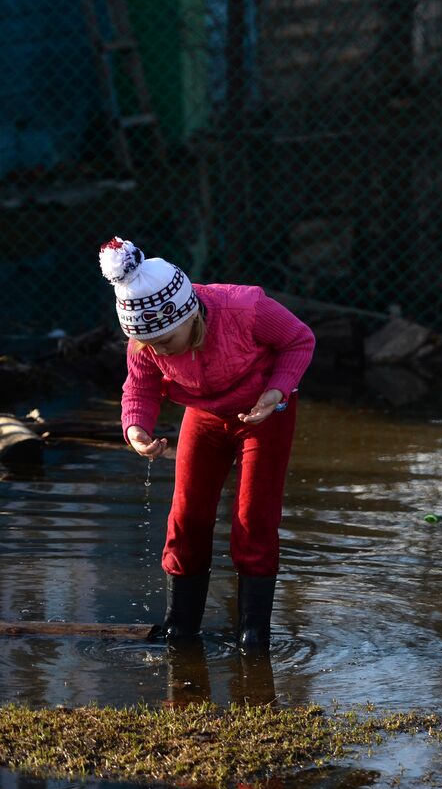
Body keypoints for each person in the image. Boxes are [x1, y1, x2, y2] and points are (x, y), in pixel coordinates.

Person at [99, 237, 315, 653]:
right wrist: (136, 430)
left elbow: (299, 340)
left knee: (253, 517)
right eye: (150, 344)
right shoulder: (145, 342)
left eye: (166, 339)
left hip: (263, 412)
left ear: (190, 314)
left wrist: (277, 391)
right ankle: (181, 627)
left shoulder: (244, 309)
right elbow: (139, 388)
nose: (158, 349)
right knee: (186, 516)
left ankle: (254, 634)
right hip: (204, 414)